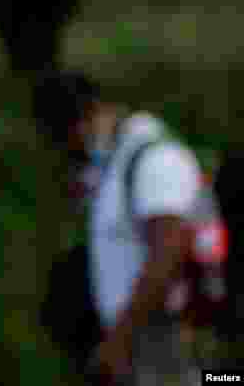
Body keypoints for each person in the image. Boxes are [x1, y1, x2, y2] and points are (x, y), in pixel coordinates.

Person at [33, 70, 203, 386]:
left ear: (87, 117)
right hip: (137, 345)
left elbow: (168, 253)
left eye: (66, 139)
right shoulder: (113, 165)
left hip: (163, 345)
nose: (68, 151)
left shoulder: (154, 159)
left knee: (221, 380)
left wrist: (120, 340)